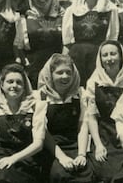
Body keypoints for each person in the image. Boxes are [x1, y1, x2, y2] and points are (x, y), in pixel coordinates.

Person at [35, 53, 94, 183]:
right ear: (51, 74)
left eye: (68, 72)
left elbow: (82, 126)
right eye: (59, 72)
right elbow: (43, 131)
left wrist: (81, 154)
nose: (65, 76)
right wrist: (62, 157)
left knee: (86, 172)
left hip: (74, 145)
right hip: (51, 149)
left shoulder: (80, 95)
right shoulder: (41, 96)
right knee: (61, 173)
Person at [62, 0, 119, 86]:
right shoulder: (72, 10)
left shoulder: (110, 9)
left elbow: (113, 40)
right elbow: (67, 44)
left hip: (99, 60)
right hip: (76, 60)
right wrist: (64, 66)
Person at [84, 40, 123, 182]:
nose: (109, 59)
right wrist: (98, 144)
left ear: (121, 56)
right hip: (104, 133)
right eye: (105, 55)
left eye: (113, 54)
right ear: (100, 59)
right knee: (103, 168)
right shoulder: (94, 82)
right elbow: (91, 117)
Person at [17, 0, 63, 88]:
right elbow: (19, 48)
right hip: (34, 72)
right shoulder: (24, 18)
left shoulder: (64, 16)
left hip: (60, 71)